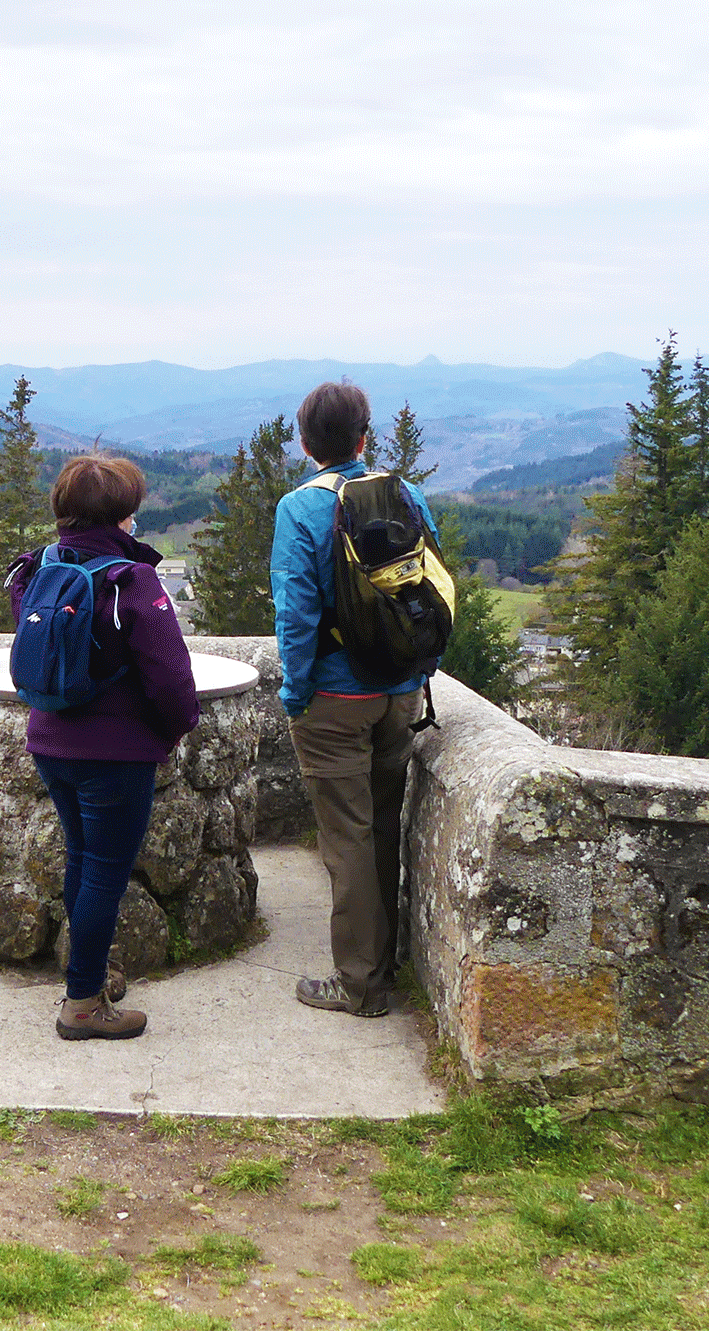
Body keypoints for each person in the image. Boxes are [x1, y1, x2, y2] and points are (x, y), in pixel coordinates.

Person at [7, 454, 200, 1041]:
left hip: (49, 740)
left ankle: (91, 973)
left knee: (80, 859)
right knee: (105, 873)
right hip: (115, 753)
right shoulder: (131, 581)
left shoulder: (36, 570)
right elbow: (169, 675)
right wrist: (175, 728)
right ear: (122, 513)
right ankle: (83, 1004)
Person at [271, 382, 440, 1017]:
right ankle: (383, 962)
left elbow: (296, 614)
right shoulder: (407, 494)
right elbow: (427, 593)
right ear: (364, 438)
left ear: (305, 442)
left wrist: (296, 694)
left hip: (335, 700)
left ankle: (360, 985)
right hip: (399, 693)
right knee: (383, 828)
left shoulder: (301, 509)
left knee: (347, 839)